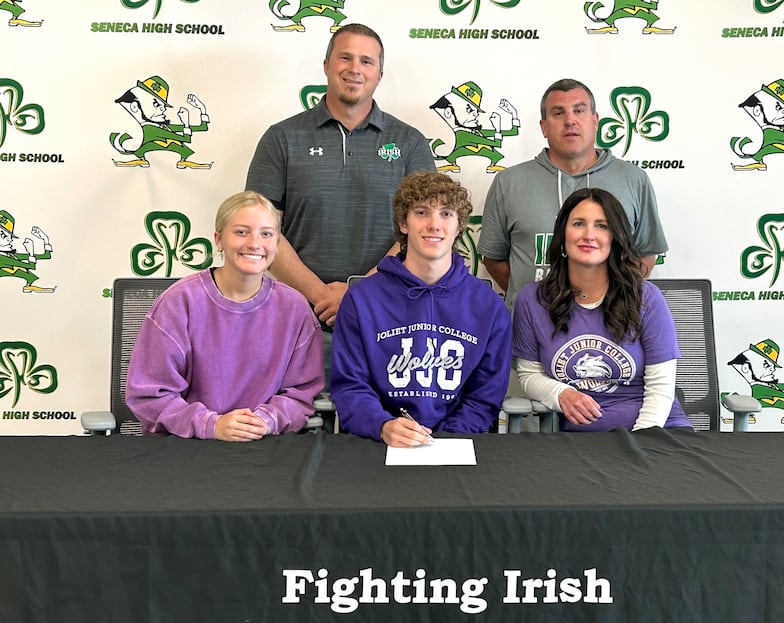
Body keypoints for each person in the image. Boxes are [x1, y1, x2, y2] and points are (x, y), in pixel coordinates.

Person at [245, 23, 435, 377]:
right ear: (326, 64)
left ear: (379, 73)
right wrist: (321, 296)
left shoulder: (410, 143)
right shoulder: (281, 138)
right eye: (345, 57)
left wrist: (358, 294)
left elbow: (424, 234)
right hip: (298, 320)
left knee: (382, 429)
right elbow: (260, 231)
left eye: (366, 61)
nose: (354, 68)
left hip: (389, 319)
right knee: (295, 428)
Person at [330, 172, 512, 446]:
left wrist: (447, 439)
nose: (434, 224)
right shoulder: (361, 299)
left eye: (446, 214)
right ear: (404, 223)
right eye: (422, 212)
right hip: (377, 443)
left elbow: (486, 394)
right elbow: (349, 386)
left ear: (460, 225)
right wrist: (383, 426)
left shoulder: (489, 306)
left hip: (456, 444)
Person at [126, 191, 324, 441]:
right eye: (242, 232)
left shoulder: (295, 308)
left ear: (276, 244)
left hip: (266, 446)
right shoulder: (179, 302)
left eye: (266, 234)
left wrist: (266, 421)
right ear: (218, 239)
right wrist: (212, 425)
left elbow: (301, 393)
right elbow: (150, 395)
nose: (255, 243)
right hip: (188, 446)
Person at [478, 78, 668, 312]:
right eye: (558, 113)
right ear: (544, 127)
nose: (570, 120)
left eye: (579, 110)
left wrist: (615, 297)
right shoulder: (508, 182)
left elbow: (646, 252)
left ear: (595, 121)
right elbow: (494, 259)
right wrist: (540, 303)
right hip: (530, 335)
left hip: (611, 328)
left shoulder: (633, 179)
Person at [512, 187, 691, 432]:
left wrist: (644, 440)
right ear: (563, 235)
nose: (589, 235)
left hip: (656, 430)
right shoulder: (532, 300)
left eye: (602, 226)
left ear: (615, 237)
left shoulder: (646, 298)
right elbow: (529, 374)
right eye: (578, 224)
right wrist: (562, 394)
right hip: (581, 443)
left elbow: (661, 387)